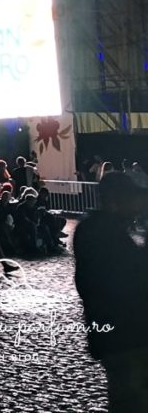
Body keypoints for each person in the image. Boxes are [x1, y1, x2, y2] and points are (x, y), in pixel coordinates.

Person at [74, 171, 148, 411]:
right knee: (131, 398)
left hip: (121, 334)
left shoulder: (101, 229)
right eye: (134, 198)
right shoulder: (103, 234)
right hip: (126, 335)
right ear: (117, 199)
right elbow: (130, 279)